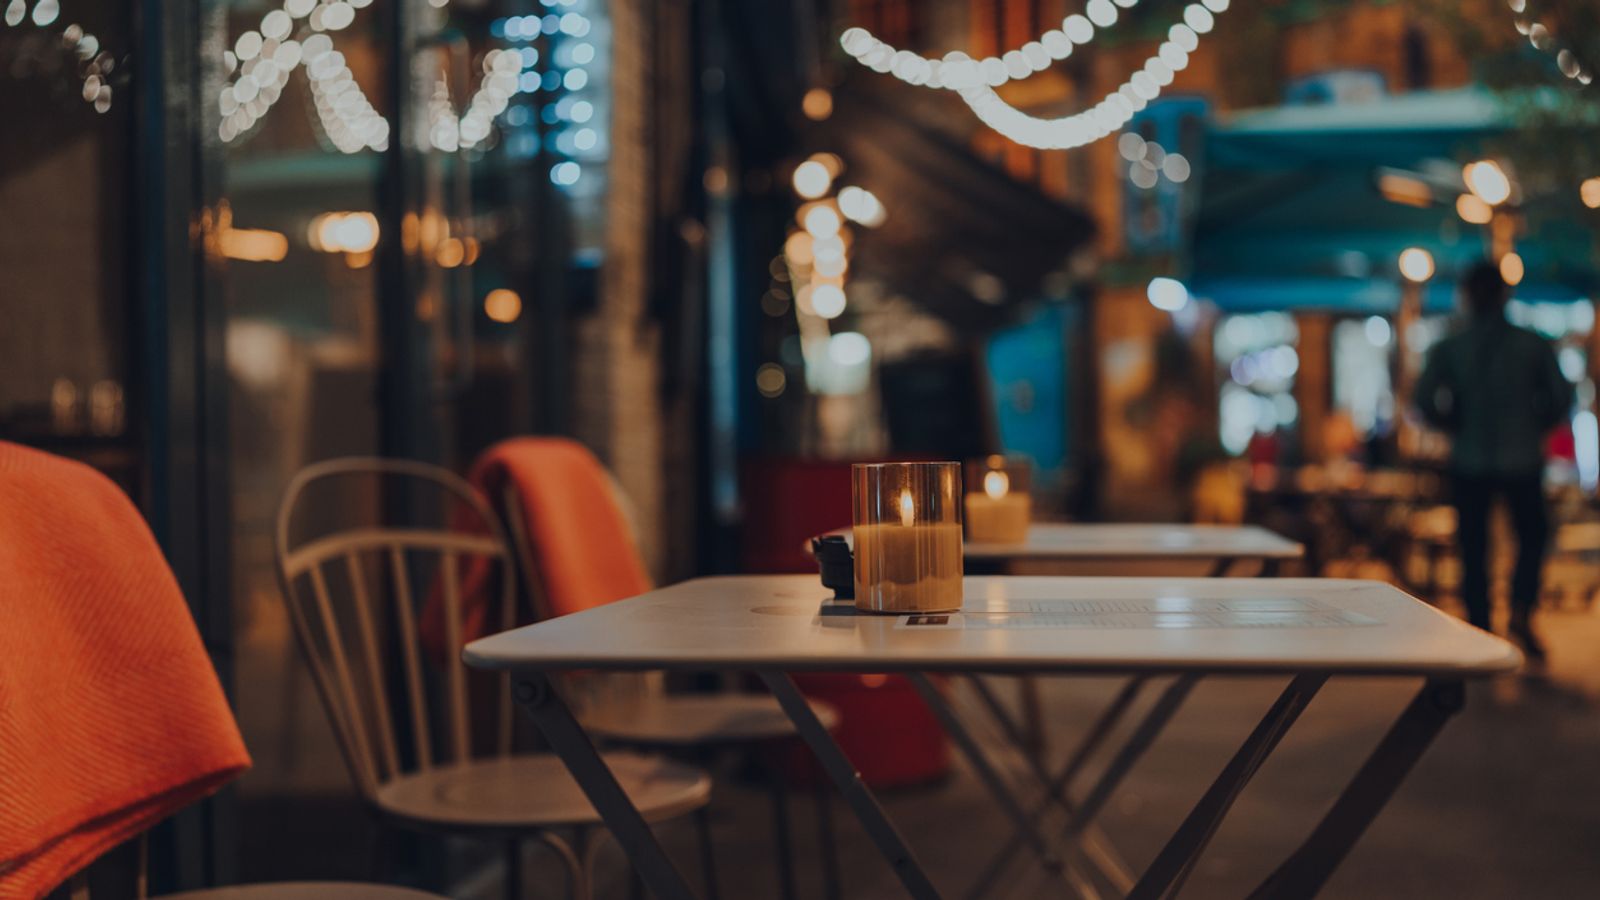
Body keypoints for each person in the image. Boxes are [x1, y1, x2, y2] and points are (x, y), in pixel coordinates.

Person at [1414, 260, 1573, 660]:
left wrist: (1453, 422)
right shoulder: (1531, 345)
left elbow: (1423, 399)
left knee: (1474, 547)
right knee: (1532, 536)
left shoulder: (1453, 346)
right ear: (1505, 295)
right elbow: (1560, 399)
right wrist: (1534, 423)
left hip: (1471, 458)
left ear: (1468, 296)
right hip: (1521, 457)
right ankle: (1520, 610)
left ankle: (1480, 626)